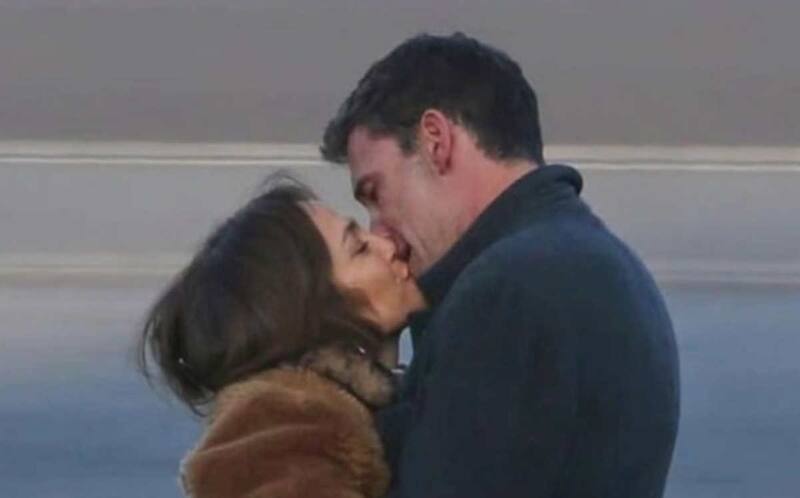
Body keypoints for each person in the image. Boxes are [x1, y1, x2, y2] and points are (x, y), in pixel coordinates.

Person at [321, 32, 680, 497]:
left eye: (376, 193)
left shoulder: (505, 293)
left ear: (436, 140)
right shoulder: (605, 267)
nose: (380, 232)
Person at [137, 178, 425, 498]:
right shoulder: (283, 430)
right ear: (309, 309)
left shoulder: (325, 411)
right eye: (359, 249)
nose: (388, 246)